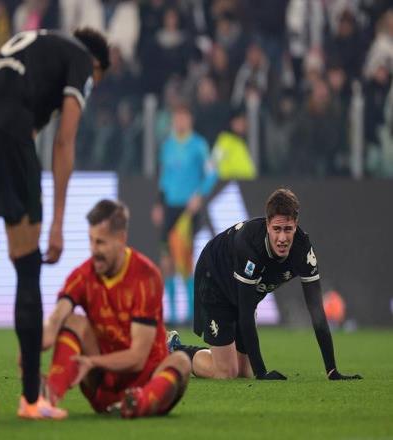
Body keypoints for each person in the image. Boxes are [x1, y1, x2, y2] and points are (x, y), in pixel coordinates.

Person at [0, 28, 110, 419]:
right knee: (27, 267)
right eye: (95, 81)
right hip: (9, 131)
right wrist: (58, 222)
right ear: (96, 65)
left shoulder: (36, 43)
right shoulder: (81, 60)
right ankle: (30, 400)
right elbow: (64, 142)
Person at [168, 188, 362, 381]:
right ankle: (173, 349)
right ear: (268, 225)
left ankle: (214, 356)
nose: (282, 238)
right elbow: (245, 313)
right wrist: (262, 373)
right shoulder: (250, 245)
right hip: (214, 278)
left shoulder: (303, 250)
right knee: (226, 372)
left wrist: (332, 371)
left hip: (241, 288)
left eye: (288, 229)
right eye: (277, 229)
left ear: (296, 225)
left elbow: (317, 312)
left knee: (244, 371)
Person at [42, 199, 191, 418]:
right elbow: (57, 317)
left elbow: (138, 358)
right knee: (73, 321)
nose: (94, 250)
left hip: (147, 382)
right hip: (103, 385)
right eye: (91, 241)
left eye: (101, 242)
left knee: (181, 361)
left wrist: (92, 362)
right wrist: (34, 345)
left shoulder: (146, 276)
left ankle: (136, 403)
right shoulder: (82, 275)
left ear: (121, 239)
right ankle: (48, 397)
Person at [151, 103, 216, 324]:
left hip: (187, 210)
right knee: (166, 260)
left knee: (184, 258)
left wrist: (199, 195)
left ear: (190, 120)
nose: (180, 121)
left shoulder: (199, 145)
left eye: (183, 117)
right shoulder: (167, 146)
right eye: (177, 117)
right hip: (169, 207)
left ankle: (190, 312)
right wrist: (159, 203)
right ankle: (171, 313)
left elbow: (211, 174)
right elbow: (164, 178)